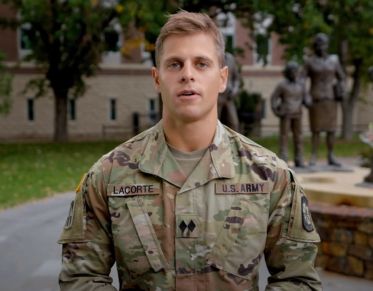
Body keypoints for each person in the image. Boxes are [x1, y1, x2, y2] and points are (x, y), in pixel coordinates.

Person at [58, 11, 322, 290]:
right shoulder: (109, 175)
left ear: (222, 79)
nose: (187, 74)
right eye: (174, 64)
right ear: (157, 78)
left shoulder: (269, 175)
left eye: (201, 63)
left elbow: (299, 280)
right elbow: (81, 278)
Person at [303, 33, 346, 167]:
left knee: (331, 129)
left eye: (323, 44)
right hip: (316, 99)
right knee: (316, 129)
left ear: (327, 45)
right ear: (315, 46)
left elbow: (342, 77)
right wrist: (305, 96)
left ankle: (331, 155)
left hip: (330, 98)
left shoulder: (334, 60)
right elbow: (301, 80)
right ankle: (314, 155)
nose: (321, 47)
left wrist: (341, 89)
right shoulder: (309, 61)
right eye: (318, 45)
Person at [271, 61, 310, 167]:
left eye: (296, 71)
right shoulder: (282, 85)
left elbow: (306, 98)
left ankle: (299, 158)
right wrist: (275, 110)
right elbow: (273, 98)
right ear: (288, 73)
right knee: (284, 136)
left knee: (299, 136)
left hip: (297, 114)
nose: (294, 73)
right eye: (292, 71)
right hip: (286, 114)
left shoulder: (301, 85)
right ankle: (283, 158)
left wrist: (309, 102)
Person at [218, 51, 240, 131]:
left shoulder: (230, 58)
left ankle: (234, 143)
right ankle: (214, 143)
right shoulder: (212, 56)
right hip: (216, 98)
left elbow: (236, 78)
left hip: (229, 97)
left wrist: (235, 89)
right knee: (215, 125)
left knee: (234, 123)